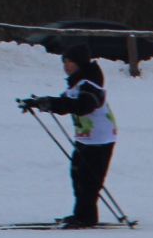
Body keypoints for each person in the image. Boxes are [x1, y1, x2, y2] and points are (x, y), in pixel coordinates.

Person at [18, 44, 118, 227]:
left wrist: (51, 104)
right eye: (64, 62)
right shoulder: (77, 83)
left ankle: (86, 218)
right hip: (86, 137)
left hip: (101, 138)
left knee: (89, 180)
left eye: (70, 62)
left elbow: (84, 105)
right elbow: (64, 103)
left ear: (79, 63)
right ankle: (80, 214)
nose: (66, 65)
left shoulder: (90, 84)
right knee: (78, 175)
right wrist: (39, 103)